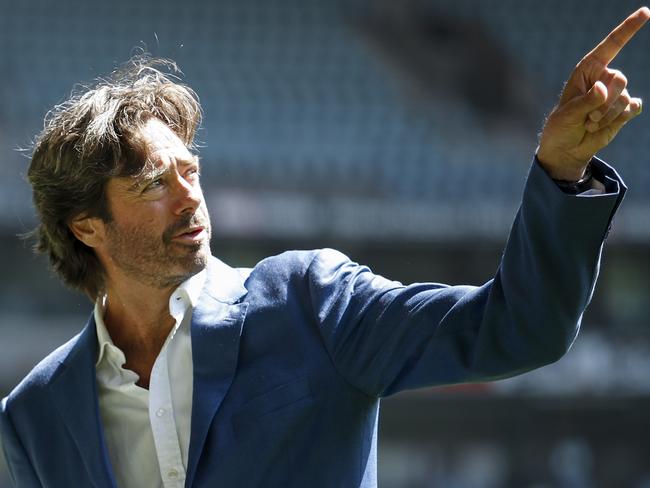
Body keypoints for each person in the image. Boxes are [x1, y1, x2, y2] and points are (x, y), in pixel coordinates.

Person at [0, 7, 647, 488]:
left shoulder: (313, 301)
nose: (188, 197)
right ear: (86, 226)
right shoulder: (35, 415)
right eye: (151, 186)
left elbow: (518, 330)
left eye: (189, 171)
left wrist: (561, 171)